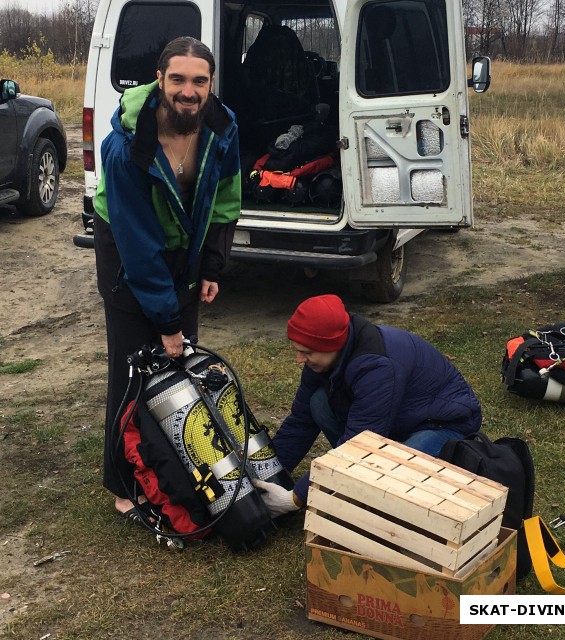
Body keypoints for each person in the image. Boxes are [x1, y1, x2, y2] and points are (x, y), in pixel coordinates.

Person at [94, 36, 241, 521]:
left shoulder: (222, 127)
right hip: (125, 251)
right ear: (159, 81)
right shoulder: (125, 147)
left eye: (199, 81)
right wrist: (166, 319)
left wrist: (212, 266)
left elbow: (224, 197)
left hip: (183, 249)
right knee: (136, 368)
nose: (188, 90)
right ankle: (124, 486)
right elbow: (138, 245)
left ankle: (169, 467)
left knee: (178, 368)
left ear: (211, 84)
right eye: (178, 79)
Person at [254, 294, 482, 518]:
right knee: (318, 402)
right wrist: (267, 474)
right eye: (298, 350)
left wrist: (295, 498)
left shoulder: (377, 367)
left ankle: (366, 476)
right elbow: (301, 421)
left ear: (332, 345)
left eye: (307, 352)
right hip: (398, 420)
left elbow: (358, 443)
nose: (299, 359)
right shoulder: (323, 358)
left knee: (396, 477)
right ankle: (359, 476)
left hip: (444, 423)